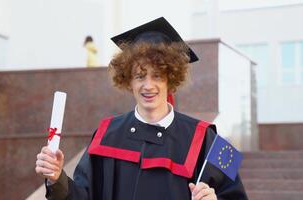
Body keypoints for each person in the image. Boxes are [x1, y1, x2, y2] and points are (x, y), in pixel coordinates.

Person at [35, 17, 248, 200]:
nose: (148, 85)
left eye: (157, 76)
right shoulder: (106, 133)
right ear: (128, 81)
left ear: (171, 80)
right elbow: (82, 196)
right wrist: (57, 178)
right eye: (139, 76)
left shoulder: (210, 139)